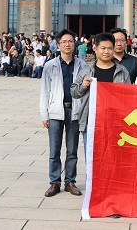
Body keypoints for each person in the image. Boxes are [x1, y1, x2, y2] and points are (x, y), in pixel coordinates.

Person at [39, 29, 87, 198]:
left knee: (72, 149)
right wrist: (44, 115)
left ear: (75, 44)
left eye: (70, 41)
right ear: (58, 45)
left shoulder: (83, 65)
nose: (67, 44)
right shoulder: (50, 65)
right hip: (55, 112)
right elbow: (44, 91)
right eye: (64, 42)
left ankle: (70, 181)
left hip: (74, 111)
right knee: (54, 149)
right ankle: (54, 182)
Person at [72, 32, 130, 154]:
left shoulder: (122, 71)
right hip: (91, 122)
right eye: (103, 48)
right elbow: (74, 92)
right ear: (95, 48)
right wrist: (83, 86)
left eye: (109, 48)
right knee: (92, 158)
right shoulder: (86, 71)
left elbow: (129, 96)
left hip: (115, 123)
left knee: (113, 158)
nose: (106, 51)